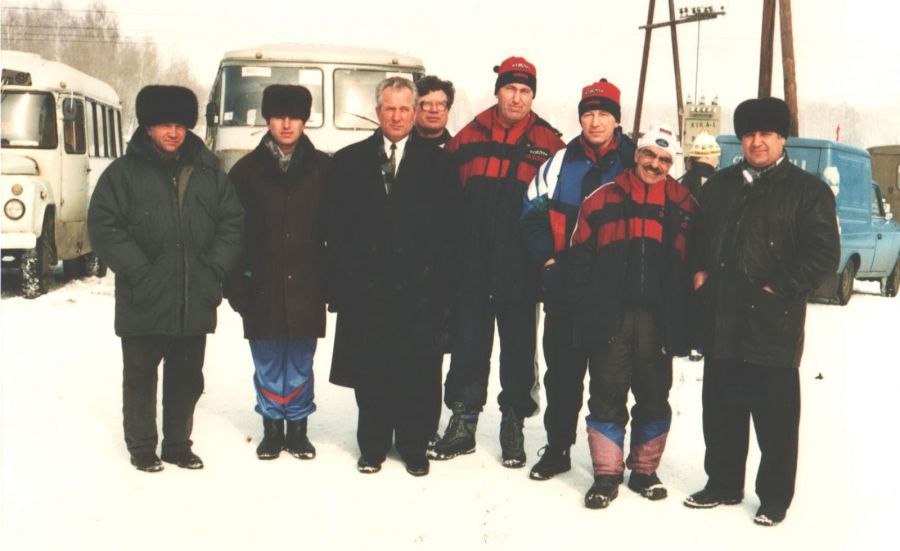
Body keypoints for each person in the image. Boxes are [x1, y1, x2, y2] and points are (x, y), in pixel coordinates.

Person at [684, 97, 839, 526]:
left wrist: (779, 286)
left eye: (766, 134)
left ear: (782, 138)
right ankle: (722, 484)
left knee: (775, 422)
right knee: (721, 413)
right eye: (749, 134)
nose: (757, 142)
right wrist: (699, 272)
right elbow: (698, 235)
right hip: (722, 320)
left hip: (773, 324)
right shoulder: (721, 185)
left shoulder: (807, 191)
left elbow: (824, 253)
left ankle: (773, 498)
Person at [88, 85, 244, 472]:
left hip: (195, 293)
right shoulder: (122, 174)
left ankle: (177, 444)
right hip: (144, 294)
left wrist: (213, 268)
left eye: (179, 125)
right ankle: (142, 447)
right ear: (147, 127)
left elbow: (232, 223)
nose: (173, 133)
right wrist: (139, 270)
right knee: (141, 377)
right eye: (163, 125)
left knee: (187, 378)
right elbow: (104, 226)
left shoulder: (209, 171)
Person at [431, 56, 565, 468]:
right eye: (511, 89)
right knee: (469, 343)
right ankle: (463, 421)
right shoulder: (470, 135)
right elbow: (444, 198)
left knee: (520, 348)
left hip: (520, 268)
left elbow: (555, 208)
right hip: (472, 264)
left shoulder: (549, 143)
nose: (517, 97)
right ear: (498, 91)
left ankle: (513, 422)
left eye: (525, 91)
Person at [326, 77, 460, 477]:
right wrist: (341, 288)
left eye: (406, 108)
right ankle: (373, 445)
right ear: (377, 111)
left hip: (420, 293)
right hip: (368, 292)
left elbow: (451, 236)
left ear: (415, 111)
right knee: (372, 372)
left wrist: (444, 294)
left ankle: (415, 446)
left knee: (420, 373)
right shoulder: (349, 161)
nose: (398, 116)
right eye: (390, 108)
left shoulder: (440, 164)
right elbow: (336, 230)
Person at [568, 122, 698, 509]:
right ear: (636, 154)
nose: (655, 164)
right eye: (649, 155)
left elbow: (696, 262)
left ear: (671, 164)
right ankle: (607, 475)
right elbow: (580, 257)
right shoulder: (603, 198)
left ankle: (644, 470)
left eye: (664, 159)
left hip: (658, 320)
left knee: (655, 395)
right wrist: (584, 309)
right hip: (612, 316)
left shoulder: (684, 204)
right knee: (607, 392)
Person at [520, 78, 636, 480]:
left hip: (614, 293)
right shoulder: (559, 162)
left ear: (617, 120)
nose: (595, 121)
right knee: (562, 377)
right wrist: (548, 262)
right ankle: (557, 448)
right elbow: (531, 213)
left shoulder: (635, 163)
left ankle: (609, 460)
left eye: (604, 114)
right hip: (565, 289)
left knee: (609, 380)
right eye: (588, 113)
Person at [224, 85, 330, 461]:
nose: (287, 124)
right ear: (268, 119)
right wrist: (237, 285)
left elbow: (335, 230)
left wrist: (330, 282)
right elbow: (230, 232)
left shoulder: (322, 169)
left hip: (307, 284)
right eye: (279, 116)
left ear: (305, 121)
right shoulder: (245, 171)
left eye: (294, 117)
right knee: (268, 361)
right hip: (261, 287)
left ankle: (298, 429)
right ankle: (272, 428)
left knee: (300, 361)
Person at [680, 130, 721, 361]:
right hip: (704, 254)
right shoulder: (718, 184)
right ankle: (698, 343)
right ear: (710, 156)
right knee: (702, 301)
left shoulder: (681, 182)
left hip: (679, 250)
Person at [413, 75, 455, 148]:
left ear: (448, 110)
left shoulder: (459, 151)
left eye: (440, 104)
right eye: (427, 104)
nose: (434, 110)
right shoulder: (397, 150)